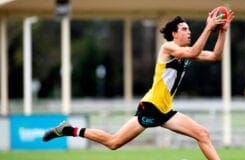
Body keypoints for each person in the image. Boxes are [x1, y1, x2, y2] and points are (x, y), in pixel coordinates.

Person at [43, 10, 234, 160]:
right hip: (151, 107)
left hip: (165, 111)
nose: (189, 32)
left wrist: (222, 32)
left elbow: (215, 56)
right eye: (185, 29)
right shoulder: (168, 48)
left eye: (189, 29)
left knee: (203, 134)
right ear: (174, 34)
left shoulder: (187, 51)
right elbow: (193, 53)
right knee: (113, 142)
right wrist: (208, 28)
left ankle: (67, 129)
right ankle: (68, 129)